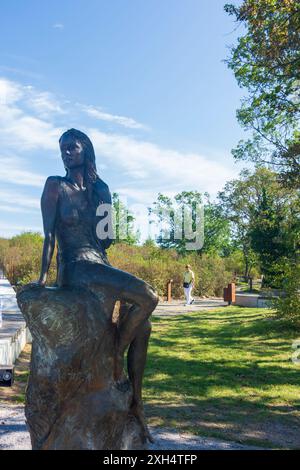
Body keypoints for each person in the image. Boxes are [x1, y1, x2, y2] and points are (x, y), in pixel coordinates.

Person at [37, 128, 158, 442]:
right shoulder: (55, 185)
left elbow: (106, 239)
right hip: (75, 266)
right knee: (148, 296)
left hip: (99, 263)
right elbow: (49, 236)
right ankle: (115, 353)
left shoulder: (99, 187)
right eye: (62, 148)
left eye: (72, 147)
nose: (66, 152)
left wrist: (104, 202)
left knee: (143, 326)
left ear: (85, 150)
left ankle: (137, 403)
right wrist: (41, 279)